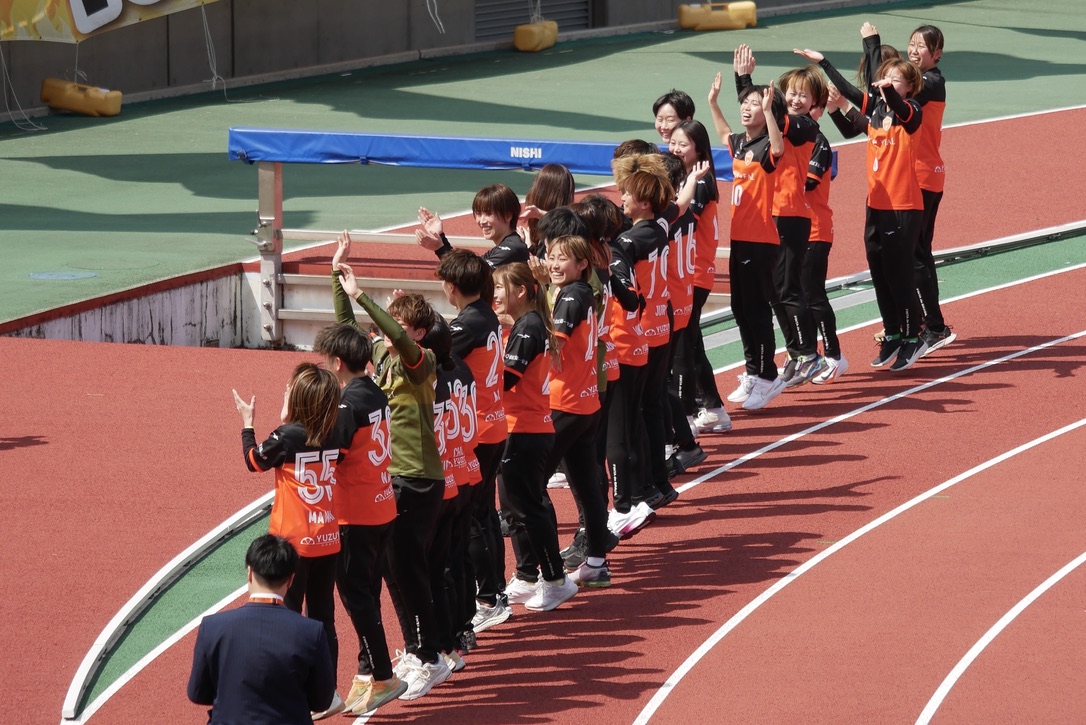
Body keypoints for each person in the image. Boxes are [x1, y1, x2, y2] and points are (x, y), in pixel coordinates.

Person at [331, 238, 452, 700]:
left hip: (417, 479)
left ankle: (430, 657)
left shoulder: (423, 361)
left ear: (419, 333)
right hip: (393, 479)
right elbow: (348, 335)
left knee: (408, 570)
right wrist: (339, 279)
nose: (388, 331)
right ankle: (419, 649)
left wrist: (364, 296)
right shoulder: (380, 356)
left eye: (400, 324)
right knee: (392, 570)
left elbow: (399, 340)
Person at [796, 27, 930, 371]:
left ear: (909, 87)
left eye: (896, 80)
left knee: (900, 274)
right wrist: (824, 63)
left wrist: (880, 71)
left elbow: (894, 101)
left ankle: (913, 337)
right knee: (880, 272)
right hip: (876, 205)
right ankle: (893, 333)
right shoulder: (877, 113)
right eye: (886, 78)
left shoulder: (911, 112)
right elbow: (850, 95)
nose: (888, 83)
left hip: (903, 206)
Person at [233, 362, 345, 718]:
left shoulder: (287, 436)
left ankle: (291, 693)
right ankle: (327, 693)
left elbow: (254, 461)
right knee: (323, 617)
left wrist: (248, 424)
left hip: (293, 543)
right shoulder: (335, 432)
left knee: (287, 619)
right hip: (329, 536)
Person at [311, 322, 406, 715]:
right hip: (381, 505)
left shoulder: (347, 405)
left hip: (357, 513)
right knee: (367, 592)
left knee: (356, 596)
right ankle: (368, 671)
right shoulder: (374, 391)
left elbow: (329, 455)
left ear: (337, 362)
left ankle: (383, 674)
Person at [731, 45, 825, 387]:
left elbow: (764, 114)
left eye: (804, 95)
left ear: (815, 103)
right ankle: (797, 352)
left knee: (788, 289)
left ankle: (809, 354)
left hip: (791, 215)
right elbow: (755, 110)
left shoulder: (802, 126)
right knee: (774, 292)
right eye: (792, 93)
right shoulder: (778, 121)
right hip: (772, 215)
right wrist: (743, 79)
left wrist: (748, 85)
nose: (796, 99)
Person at [433, 249, 513, 637]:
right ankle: (495, 592)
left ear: (450, 287)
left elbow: (433, 359)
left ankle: (489, 598)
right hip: (493, 423)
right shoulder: (486, 315)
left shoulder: (467, 324)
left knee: (473, 521)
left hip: (476, 430)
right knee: (485, 515)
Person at [492, 261, 579, 612]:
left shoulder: (528, 326)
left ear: (520, 291)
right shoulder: (525, 324)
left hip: (525, 429)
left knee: (528, 508)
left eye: (499, 288)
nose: (495, 295)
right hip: (521, 427)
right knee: (515, 509)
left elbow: (506, 379)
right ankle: (529, 575)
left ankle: (556, 579)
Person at [187, 534, 336, 725]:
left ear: (250, 572)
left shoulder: (213, 627)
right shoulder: (312, 631)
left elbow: (197, 693)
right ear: (290, 579)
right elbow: (322, 701)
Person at [707, 65, 787, 411]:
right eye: (745, 103)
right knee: (740, 308)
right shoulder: (740, 143)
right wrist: (713, 103)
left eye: (755, 103)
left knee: (756, 310)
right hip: (740, 237)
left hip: (761, 240)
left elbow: (779, 147)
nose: (747, 107)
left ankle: (768, 376)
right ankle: (753, 371)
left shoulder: (769, 144)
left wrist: (768, 112)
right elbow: (725, 132)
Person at [906, 24, 956, 355]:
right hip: (916, 175)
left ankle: (934, 326)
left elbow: (898, 99)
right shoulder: (918, 79)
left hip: (925, 176)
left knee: (916, 253)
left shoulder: (932, 81)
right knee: (916, 252)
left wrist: (873, 50)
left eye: (920, 46)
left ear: (936, 54)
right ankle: (926, 322)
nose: (913, 50)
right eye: (911, 44)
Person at [805, 91, 849, 384]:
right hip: (789, 231)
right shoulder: (784, 142)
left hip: (815, 230)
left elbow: (806, 184)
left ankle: (834, 356)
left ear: (819, 110)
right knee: (796, 297)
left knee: (813, 294)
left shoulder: (818, 143)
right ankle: (806, 355)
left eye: (808, 102)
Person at [417, 184, 529, 267]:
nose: (482, 221)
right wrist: (440, 237)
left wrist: (440, 247)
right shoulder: (505, 246)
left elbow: (471, 276)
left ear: (508, 216)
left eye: (488, 213)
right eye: (478, 214)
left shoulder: (512, 249)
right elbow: (465, 268)